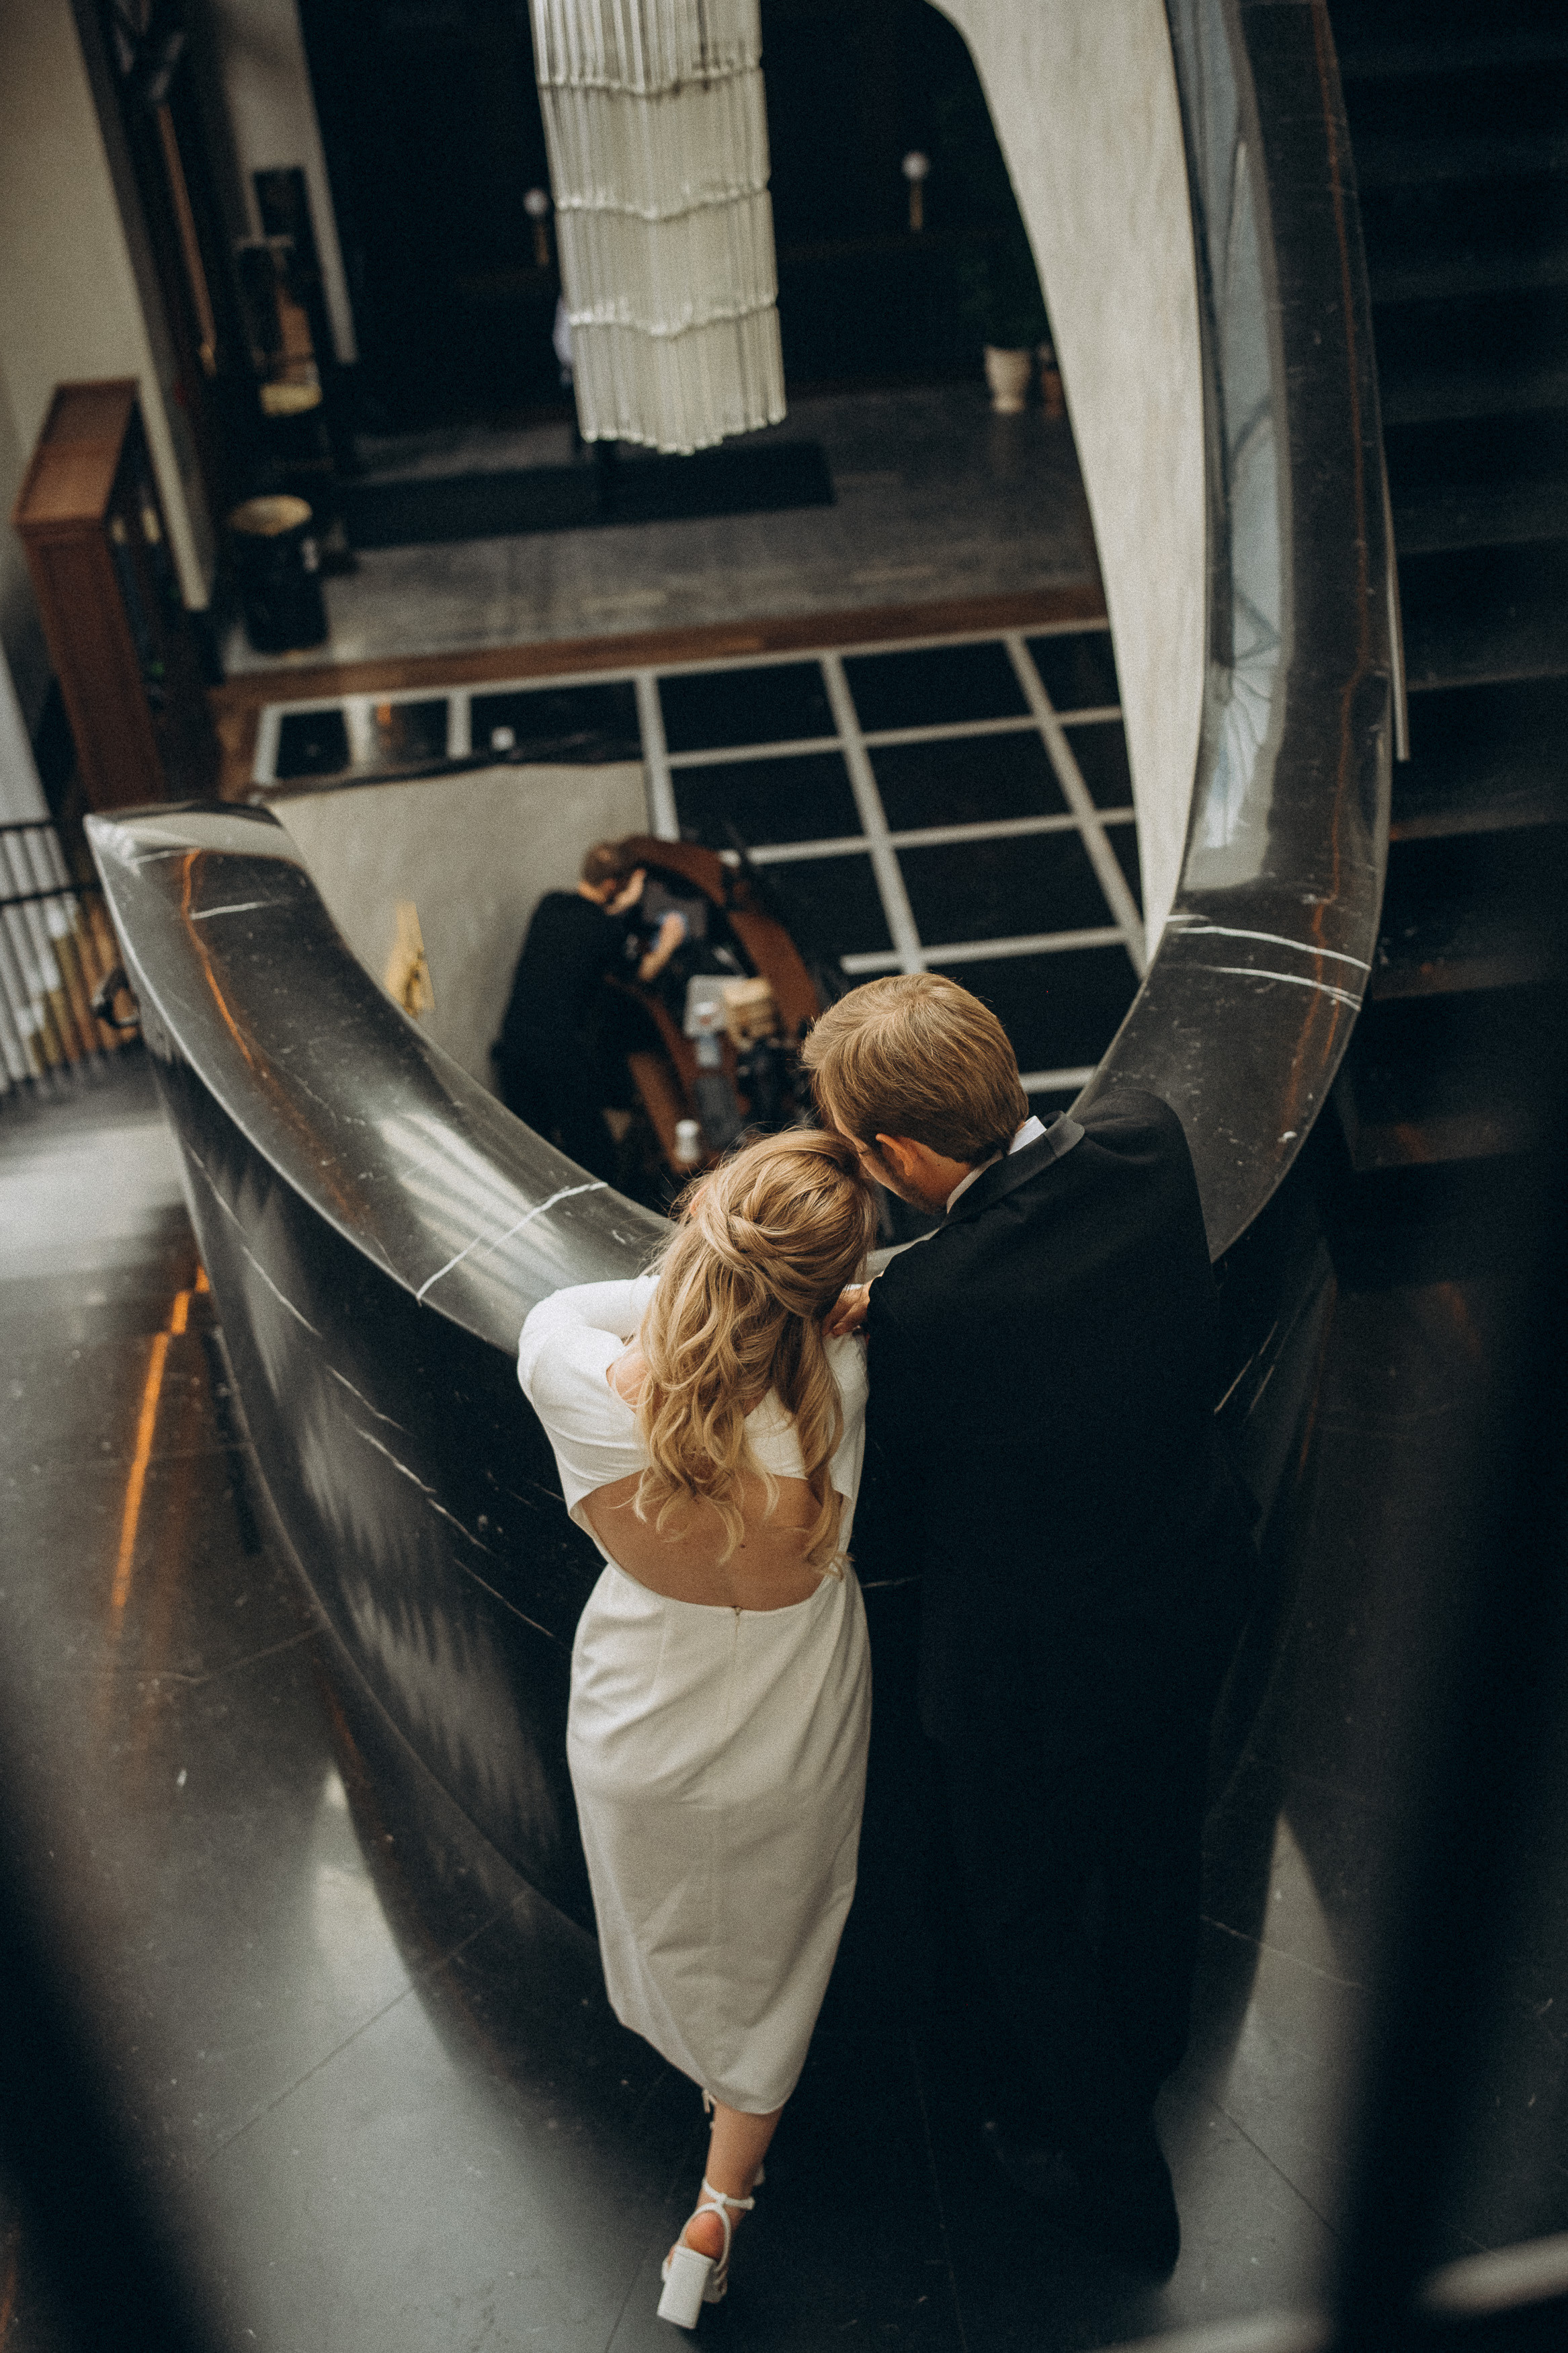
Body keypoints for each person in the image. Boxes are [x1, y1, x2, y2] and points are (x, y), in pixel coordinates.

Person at [804, 973, 1255, 2275]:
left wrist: (883, 1301)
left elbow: (885, 1530)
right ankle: (1153, 2039)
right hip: (1187, 1588)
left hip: (1033, 1680)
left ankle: (1119, 2184)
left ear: (893, 1154)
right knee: (1159, 1839)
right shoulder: (1145, 1140)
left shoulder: (926, 1314)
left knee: (1024, 1918)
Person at [516, 1131, 878, 2327]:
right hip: (791, 1716)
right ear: (820, 1293)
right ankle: (719, 2207)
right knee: (773, 1954)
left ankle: (704, 2108)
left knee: (676, 1927)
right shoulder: (839, 1388)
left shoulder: (567, 1371)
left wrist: (704, 1268)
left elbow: (577, 1302)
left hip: (636, 1713)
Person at [494, 842, 645, 1180]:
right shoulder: (608, 931)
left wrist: (616, 907)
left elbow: (585, 925)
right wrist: (669, 940)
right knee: (596, 1154)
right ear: (612, 886)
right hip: (558, 1054)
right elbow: (641, 972)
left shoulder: (550, 904)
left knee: (532, 1149)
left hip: (515, 1042)